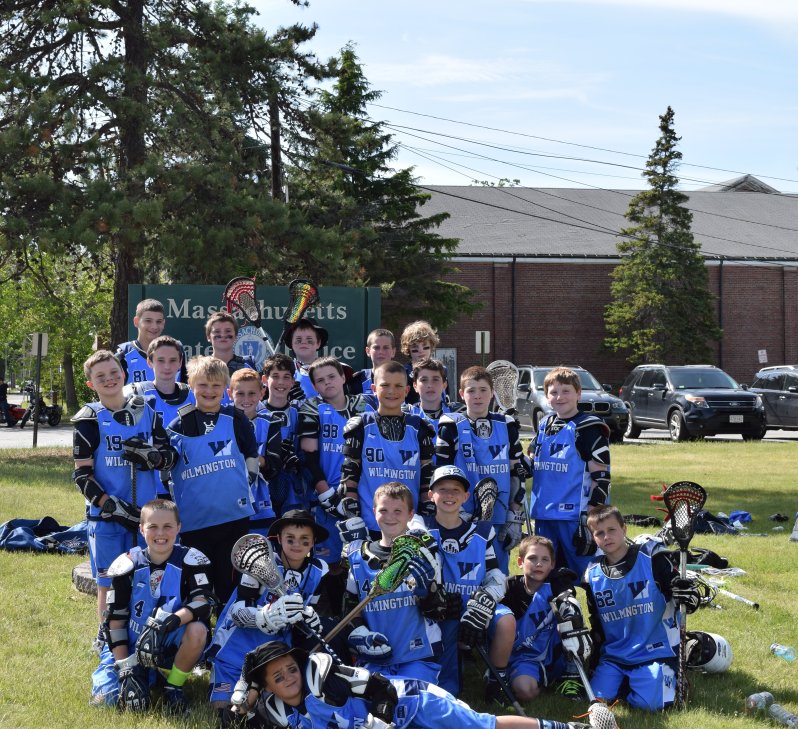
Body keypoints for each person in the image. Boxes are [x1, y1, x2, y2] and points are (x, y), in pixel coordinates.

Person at [239, 641, 592, 729]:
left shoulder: (325, 681)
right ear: (267, 686)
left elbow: (382, 692)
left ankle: (564, 726)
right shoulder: (283, 712)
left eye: (290, 668)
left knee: (485, 725)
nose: (288, 677)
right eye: (278, 676)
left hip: (415, 703)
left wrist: (380, 717)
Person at [72, 350, 177, 638]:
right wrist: (110, 505)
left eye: (113, 372)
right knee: (107, 581)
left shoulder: (147, 410)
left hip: (145, 516)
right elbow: (82, 475)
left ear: (124, 373)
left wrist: (152, 457)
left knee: (149, 576)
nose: (109, 379)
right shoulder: (89, 419)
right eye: (100, 376)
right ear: (91, 384)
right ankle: (107, 638)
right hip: (107, 515)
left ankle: (147, 635)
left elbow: (170, 457)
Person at [90, 499, 213, 714]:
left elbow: (203, 604)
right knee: (106, 700)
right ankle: (141, 672)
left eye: (167, 526)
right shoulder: (126, 565)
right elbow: (115, 621)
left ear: (179, 528)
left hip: (168, 640)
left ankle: (173, 686)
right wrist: (124, 667)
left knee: (198, 629)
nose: (160, 533)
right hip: (129, 643)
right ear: (141, 529)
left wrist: (173, 620)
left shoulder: (191, 560)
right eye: (153, 527)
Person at [209, 509, 332, 722]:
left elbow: (307, 621)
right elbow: (237, 613)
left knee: (278, 713)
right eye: (290, 538)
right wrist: (265, 616)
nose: (297, 545)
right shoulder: (261, 562)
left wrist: (310, 620)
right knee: (227, 714)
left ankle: (260, 692)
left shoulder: (317, 571)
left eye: (304, 540)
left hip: (274, 656)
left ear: (313, 543)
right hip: (235, 650)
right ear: (280, 538)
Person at [581, 504, 702, 711]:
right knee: (597, 702)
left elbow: (683, 598)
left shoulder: (652, 558)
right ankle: (629, 681)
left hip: (654, 651)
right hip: (615, 655)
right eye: (599, 533)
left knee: (650, 705)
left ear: (624, 529)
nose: (607, 537)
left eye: (612, 530)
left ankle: (653, 679)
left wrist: (688, 596)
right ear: (594, 538)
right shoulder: (592, 574)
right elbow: (597, 621)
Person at [166, 355, 260, 605]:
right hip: (196, 524)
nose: (209, 391)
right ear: (191, 386)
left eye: (216, 385)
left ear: (226, 389)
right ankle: (200, 637)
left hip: (233, 518)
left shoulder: (236, 418)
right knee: (199, 587)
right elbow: (167, 468)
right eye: (203, 385)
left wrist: (247, 478)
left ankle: (228, 638)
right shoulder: (178, 425)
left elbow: (251, 453)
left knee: (230, 584)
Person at [423, 465, 514, 702]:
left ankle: (496, 680)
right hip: (442, 611)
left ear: (466, 496)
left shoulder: (482, 533)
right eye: (442, 489)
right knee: (448, 690)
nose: (449, 495)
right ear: (431, 495)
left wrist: (483, 602)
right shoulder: (420, 529)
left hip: (475, 607)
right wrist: (435, 598)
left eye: (456, 490)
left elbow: (495, 575)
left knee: (505, 620)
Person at [343, 482, 441, 682]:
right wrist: (361, 635)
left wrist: (428, 592)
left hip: (418, 653)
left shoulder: (424, 553)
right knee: (374, 707)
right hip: (375, 653)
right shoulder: (357, 557)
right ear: (373, 512)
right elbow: (351, 607)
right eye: (383, 510)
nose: (390, 517)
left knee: (410, 703)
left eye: (398, 511)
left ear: (410, 515)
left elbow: (440, 609)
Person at [436, 366, 527, 573]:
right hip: (460, 514)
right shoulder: (450, 424)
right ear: (461, 394)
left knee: (497, 572)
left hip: (499, 512)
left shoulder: (507, 425)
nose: (477, 396)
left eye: (483, 390)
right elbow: (441, 472)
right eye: (471, 390)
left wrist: (515, 512)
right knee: (463, 572)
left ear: (493, 392)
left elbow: (516, 472)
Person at [528, 367, 611, 577]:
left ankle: (598, 611)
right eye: (553, 392)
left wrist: (592, 518)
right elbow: (532, 457)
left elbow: (601, 477)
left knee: (590, 576)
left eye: (566, 391)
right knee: (546, 576)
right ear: (546, 396)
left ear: (578, 394)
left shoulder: (589, 427)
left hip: (574, 517)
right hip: (544, 515)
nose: (559, 397)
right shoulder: (545, 423)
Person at [341, 360, 436, 535]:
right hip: (370, 522)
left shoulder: (420, 428)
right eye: (385, 385)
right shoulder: (360, 426)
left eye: (399, 386)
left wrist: (426, 515)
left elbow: (426, 478)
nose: (392, 391)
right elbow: (349, 476)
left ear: (407, 390)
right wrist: (353, 516)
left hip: (410, 523)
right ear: (373, 388)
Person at [502, 536, 576, 703]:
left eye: (545, 559)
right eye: (532, 558)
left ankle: (571, 673)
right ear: (520, 562)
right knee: (526, 691)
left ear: (552, 564)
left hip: (555, 654)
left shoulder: (558, 583)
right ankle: (505, 674)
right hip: (524, 658)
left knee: (574, 618)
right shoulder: (508, 587)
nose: (539, 564)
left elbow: (569, 593)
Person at [124, 335, 195, 497]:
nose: (167, 366)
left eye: (172, 360)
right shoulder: (135, 394)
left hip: (186, 481)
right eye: (161, 360)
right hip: (149, 483)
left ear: (180, 362)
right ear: (150, 362)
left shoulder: (194, 395)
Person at [228, 368, 283, 535]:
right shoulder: (220, 419)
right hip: (227, 505)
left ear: (262, 392)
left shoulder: (270, 422)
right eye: (240, 393)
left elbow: (274, 467)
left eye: (252, 393)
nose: (246, 399)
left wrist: (251, 457)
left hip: (261, 506)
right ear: (230, 394)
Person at [261, 353, 304, 517]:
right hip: (264, 491)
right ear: (264, 380)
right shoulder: (256, 412)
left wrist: (297, 459)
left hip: (295, 491)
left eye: (286, 377)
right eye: (275, 376)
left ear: (293, 382)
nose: (280, 382)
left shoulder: (301, 412)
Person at [115, 298, 187, 385]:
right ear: (136, 322)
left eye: (158, 322)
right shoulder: (124, 356)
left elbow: (186, 387)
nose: (154, 326)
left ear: (163, 323)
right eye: (148, 321)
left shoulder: (176, 350)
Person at [205, 311, 257, 404]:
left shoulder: (247, 366)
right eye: (217, 331)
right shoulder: (200, 368)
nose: (223, 335)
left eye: (228, 331)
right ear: (209, 337)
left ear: (236, 336)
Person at [405, 358, 458, 436]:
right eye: (424, 380)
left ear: (444, 385)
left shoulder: (458, 413)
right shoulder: (406, 415)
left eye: (435, 379)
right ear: (415, 386)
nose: (430, 385)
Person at [399, 320, 447, 406]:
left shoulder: (442, 370)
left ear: (431, 345)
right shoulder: (403, 372)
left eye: (425, 346)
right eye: (415, 346)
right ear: (408, 349)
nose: (421, 351)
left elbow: (445, 398)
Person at [285, 318, 330, 400]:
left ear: (318, 343)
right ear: (291, 343)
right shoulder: (284, 372)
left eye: (309, 340)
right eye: (298, 340)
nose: (303, 342)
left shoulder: (331, 371)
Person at [347, 328, 397, 395]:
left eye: (385, 348)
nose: (381, 352)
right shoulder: (356, 380)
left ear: (393, 352)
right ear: (368, 351)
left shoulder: (405, 379)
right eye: (376, 348)